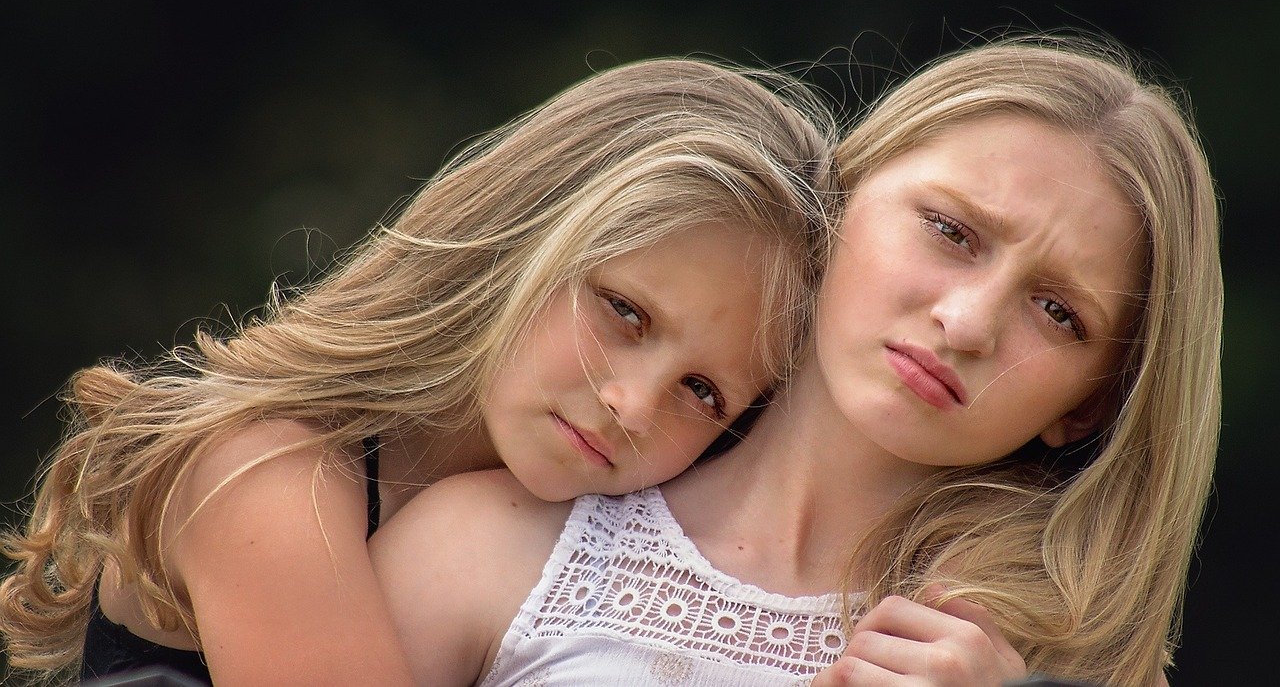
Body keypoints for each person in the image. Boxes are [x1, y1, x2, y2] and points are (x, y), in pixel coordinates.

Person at [369, 37, 1221, 686]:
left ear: (1095, 401)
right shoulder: (491, 547)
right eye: (951, 231)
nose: (966, 322)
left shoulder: (1045, 666)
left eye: (1058, 312)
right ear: (843, 201)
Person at [0, 59, 842, 685]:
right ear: (527, 236)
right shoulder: (264, 470)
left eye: (703, 392)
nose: (631, 403)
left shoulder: (603, 540)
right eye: (625, 312)